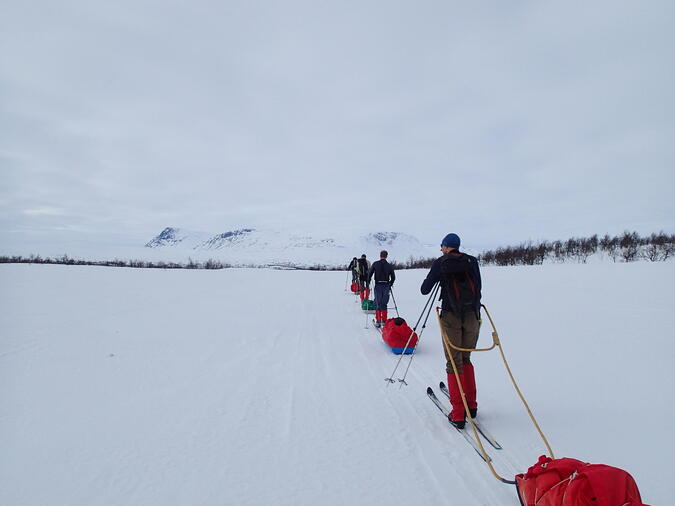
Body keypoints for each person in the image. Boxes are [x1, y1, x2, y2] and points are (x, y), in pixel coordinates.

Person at [420, 233, 482, 429]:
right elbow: (479, 288)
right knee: (466, 358)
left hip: (451, 315)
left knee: (453, 362)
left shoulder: (441, 262)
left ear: (447, 247)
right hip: (472, 315)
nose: (441, 249)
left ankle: (458, 414)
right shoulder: (472, 261)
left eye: (442, 246)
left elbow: (424, 289)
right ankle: (471, 407)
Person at [368, 250, 395, 327]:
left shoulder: (375, 264)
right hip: (386, 285)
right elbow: (393, 277)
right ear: (386, 256)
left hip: (378, 285)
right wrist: (390, 284)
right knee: (384, 303)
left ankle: (378, 320)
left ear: (380, 255)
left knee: (378, 302)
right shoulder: (389, 265)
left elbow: (370, 273)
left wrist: (368, 281)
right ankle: (384, 320)